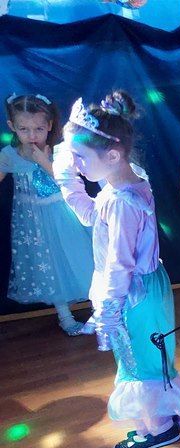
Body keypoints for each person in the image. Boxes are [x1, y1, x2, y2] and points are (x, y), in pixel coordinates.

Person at [55, 92, 180, 448]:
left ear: (113, 156)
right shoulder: (127, 182)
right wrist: (68, 178)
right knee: (145, 356)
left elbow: (119, 262)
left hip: (132, 293)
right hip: (141, 287)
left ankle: (159, 428)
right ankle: (159, 415)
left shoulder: (121, 200)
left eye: (81, 158)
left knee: (138, 361)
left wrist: (110, 308)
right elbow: (92, 215)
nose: (76, 165)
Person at [1, 93, 92, 335]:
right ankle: (65, 317)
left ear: (50, 125)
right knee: (50, 267)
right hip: (32, 223)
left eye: (39, 129)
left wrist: (43, 161)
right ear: (12, 126)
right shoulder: (9, 155)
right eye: (24, 129)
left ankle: (103, 308)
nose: (32, 135)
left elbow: (66, 180)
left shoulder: (59, 150)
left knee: (81, 257)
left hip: (63, 215)